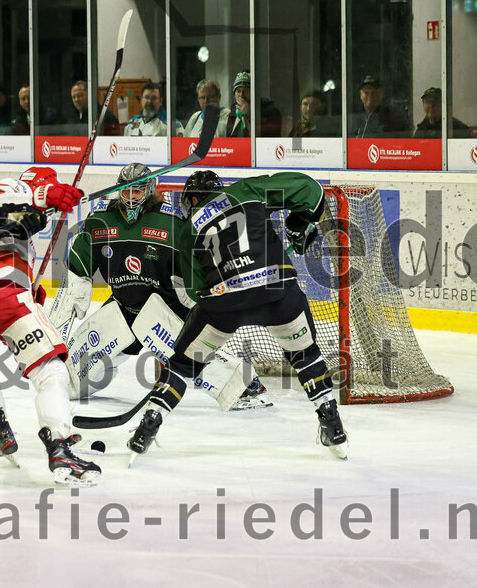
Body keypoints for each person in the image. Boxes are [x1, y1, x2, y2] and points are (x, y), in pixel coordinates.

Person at [126, 170, 348, 462]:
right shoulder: (247, 190)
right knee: (305, 355)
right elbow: (312, 192)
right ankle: (332, 423)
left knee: (181, 367)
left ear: (192, 199)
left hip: (223, 304)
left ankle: (149, 425)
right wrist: (298, 223)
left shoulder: (187, 229)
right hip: (277, 293)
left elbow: (194, 292)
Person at [49, 163, 269, 410]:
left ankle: (246, 385)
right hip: (123, 308)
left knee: (189, 354)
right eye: (126, 191)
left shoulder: (172, 222)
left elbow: (192, 270)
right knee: (66, 383)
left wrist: (201, 305)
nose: (131, 198)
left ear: (150, 190)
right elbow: (75, 278)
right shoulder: (99, 221)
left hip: (165, 307)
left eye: (137, 191)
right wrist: (53, 339)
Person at [0, 167, 102, 485]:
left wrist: (32, 289)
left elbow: (7, 222)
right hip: (2, 294)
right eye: (49, 188)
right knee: (51, 371)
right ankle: (58, 444)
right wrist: (47, 196)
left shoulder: (15, 229)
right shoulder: (8, 189)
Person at [225, 70, 282, 138]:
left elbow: (270, 136)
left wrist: (249, 113)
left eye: (246, 91)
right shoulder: (233, 113)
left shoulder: (269, 111)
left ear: (254, 93)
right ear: (234, 95)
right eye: (238, 91)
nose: (241, 95)